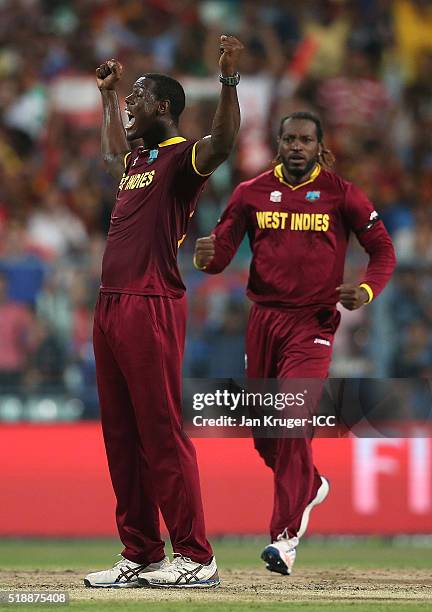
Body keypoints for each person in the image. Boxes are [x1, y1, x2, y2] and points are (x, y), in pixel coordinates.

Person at [193, 111, 396, 576]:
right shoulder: (250, 193)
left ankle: (284, 539)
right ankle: (311, 484)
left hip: (314, 324)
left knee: (290, 420)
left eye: (305, 140)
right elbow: (220, 255)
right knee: (267, 437)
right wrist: (207, 258)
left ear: (319, 146)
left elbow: (383, 250)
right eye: (289, 139)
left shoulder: (342, 194)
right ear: (278, 144)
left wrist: (364, 291)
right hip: (263, 321)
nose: (297, 146)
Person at [84, 34, 243, 589]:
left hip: (151, 302)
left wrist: (227, 80)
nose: (131, 105)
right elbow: (111, 159)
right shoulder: (138, 160)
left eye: (138, 98)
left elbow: (222, 143)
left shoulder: (182, 159)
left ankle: (196, 557)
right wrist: (108, 98)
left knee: (160, 432)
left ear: (165, 108)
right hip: (109, 304)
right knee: (121, 435)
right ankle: (143, 553)